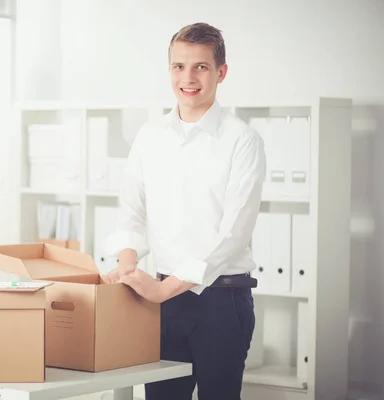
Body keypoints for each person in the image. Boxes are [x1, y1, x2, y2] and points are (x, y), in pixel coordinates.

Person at [103, 22, 267, 400]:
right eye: (179, 66)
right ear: (169, 70)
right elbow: (131, 209)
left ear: (221, 72)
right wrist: (128, 265)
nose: (188, 78)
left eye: (201, 67)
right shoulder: (149, 137)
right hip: (161, 305)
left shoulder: (242, 140)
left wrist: (163, 289)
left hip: (221, 303)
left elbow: (232, 236)